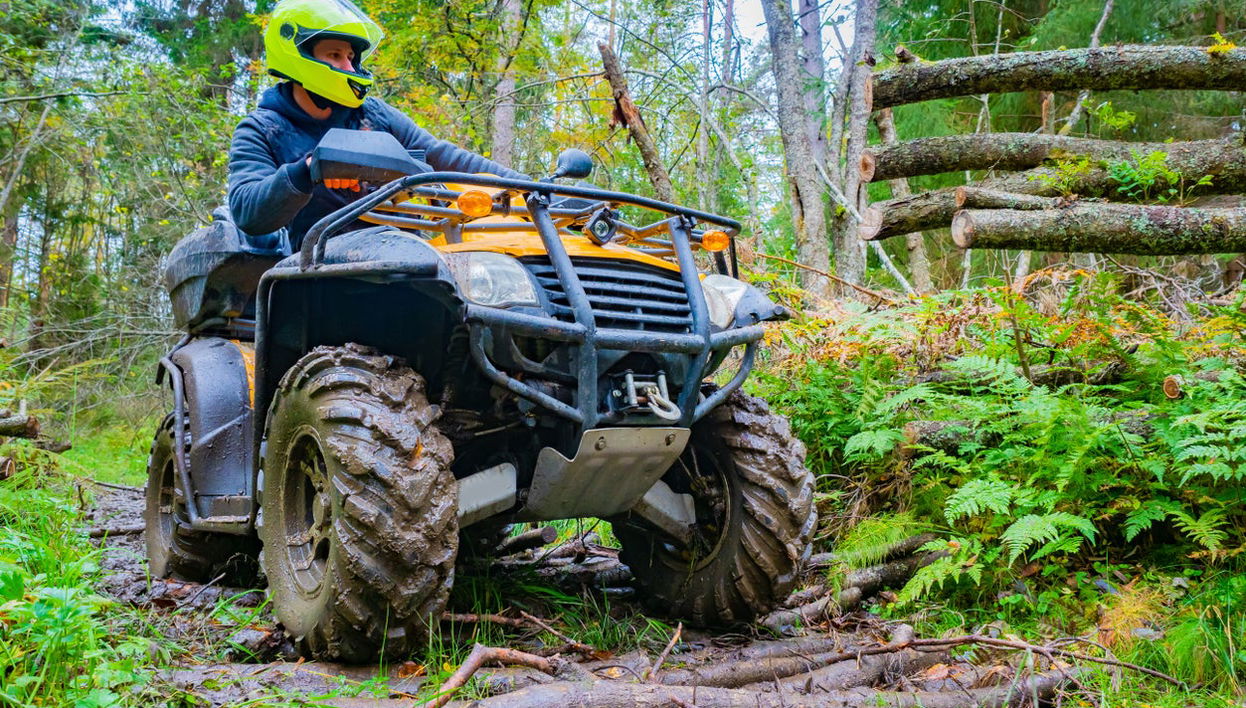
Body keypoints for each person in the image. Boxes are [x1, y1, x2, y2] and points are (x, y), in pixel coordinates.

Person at [227, 0, 522, 249]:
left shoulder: (374, 114)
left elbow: (443, 156)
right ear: (298, 55)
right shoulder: (262, 129)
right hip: (319, 270)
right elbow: (246, 209)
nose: (348, 66)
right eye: (334, 55)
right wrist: (308, 169)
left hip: (408, 260)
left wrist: (526, 186)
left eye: (350, 57)